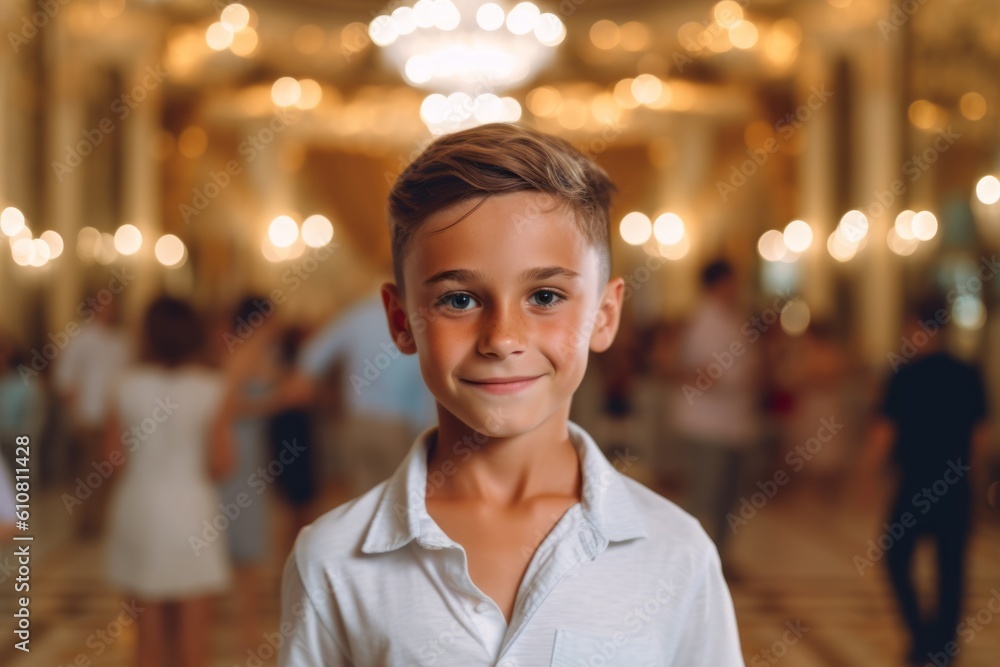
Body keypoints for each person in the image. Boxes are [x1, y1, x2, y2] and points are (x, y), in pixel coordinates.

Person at [279, 123, 745, 666]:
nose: (502, 339)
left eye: (545, 296)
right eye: (458, 300)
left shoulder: (676, 552)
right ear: (401, 320)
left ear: (605, 315)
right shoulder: (332, 560)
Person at [103, 296, 237, 667]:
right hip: (192, 511)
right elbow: (222, 462)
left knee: (146, 647)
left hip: (139, 507)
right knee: (194, 650)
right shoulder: (212, 387)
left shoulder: (125, 385)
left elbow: (111, 460)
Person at [861, 296, 991, 667]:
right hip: (956, 484)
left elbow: (883, 433)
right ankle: (943, 644)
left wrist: (867, 476)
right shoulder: (968, 373)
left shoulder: (903, 375)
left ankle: (922, 636)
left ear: (917, 326)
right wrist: (978, 486)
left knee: (897, 558)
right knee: (952, 568)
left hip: (915, 484)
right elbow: (978, 439)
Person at [672, 259, 763, 557]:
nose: (736, 289)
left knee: (730, 498)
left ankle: (721, 557)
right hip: (705, 423)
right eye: (731, 281)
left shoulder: (735, 319)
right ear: (716, 284)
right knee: (704, 495)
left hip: (735, 422)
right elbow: (689, 368)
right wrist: (726, 379)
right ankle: (680, 556)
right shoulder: (701, 319)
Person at [54, 298, 131, 537]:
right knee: (88, 473)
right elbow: (65, 379)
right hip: (90, 416)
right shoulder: (81, 339)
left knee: (112, 472)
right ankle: (86, 522)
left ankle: (106, 520)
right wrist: (76, 415)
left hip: (117, 416)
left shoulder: (122, 341)